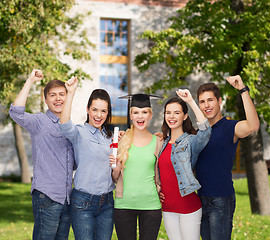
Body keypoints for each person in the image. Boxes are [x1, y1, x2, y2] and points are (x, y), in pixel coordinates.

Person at [9, 69, 74, 240]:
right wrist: (30, 80)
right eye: (53, 95)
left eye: (62, 94)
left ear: (68, 97)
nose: (58, 98)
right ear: (46, 100)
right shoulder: (39, 122)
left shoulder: (71, 128)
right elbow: (16, 112)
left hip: (67, 199)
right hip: (47, 197)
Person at [195, 75, 260, 240]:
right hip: (199, 199)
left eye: (210, 100)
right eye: (202, 102)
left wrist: (242, 90)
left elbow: (253, 125)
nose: (206, 105)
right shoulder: (198, 133)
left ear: (219, 101)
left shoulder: (230, 127)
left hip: (220, 200)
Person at [58, 76, 115, 240]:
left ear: (107, 113)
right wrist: (70, 93)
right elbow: (63, 124)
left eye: (103, 111)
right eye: (95, 109)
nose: (99, 115)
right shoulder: (79, 133)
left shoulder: (110, 138)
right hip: (83, 203)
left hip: (107, 203)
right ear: (88, 110)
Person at [157, 89, 211, 240]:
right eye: (168, 112)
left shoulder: (190, 142)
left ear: (185, 116)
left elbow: (205, 131)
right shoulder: (162, 143)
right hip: (167, 207)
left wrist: (190, 101)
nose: (171, 116)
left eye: (176, 113)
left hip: (188, 207)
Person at [110, 93, 163, 240]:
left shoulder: (158, 142)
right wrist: (116, 166)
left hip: (151, 206)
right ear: (131, 115)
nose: (140, 117)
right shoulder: (121, 141)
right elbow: (115, 178)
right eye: (136, 112)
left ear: (150, 115)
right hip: (124, 205)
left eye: (144, 112)